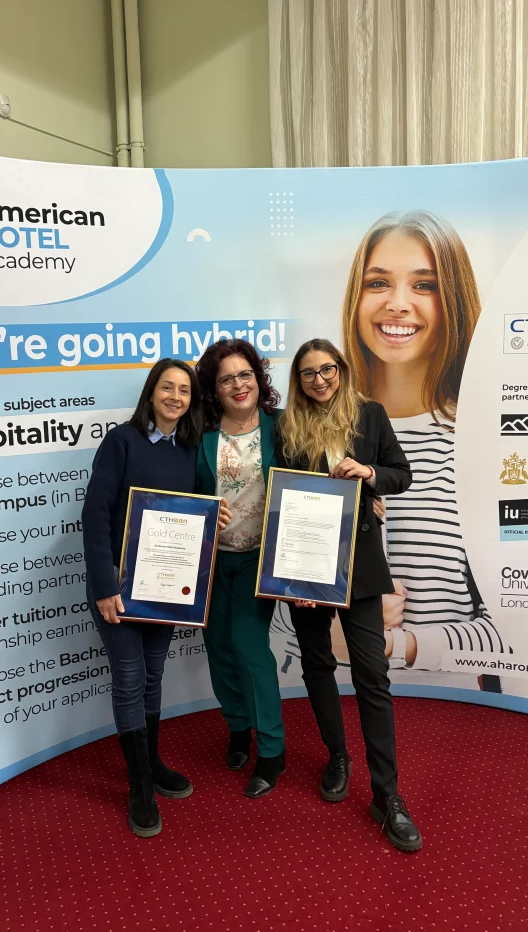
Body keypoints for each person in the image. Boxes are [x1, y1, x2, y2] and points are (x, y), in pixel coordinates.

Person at [342, 210, 505, 682]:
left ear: (452, 299)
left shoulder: (479, 442)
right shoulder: (322, 436)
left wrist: (393, 643)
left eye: (424, 285)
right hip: (332, 700)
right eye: (378, 283)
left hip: (447, 706)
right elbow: (278, 611)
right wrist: (332, 624)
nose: (397, 304)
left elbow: (513, 626)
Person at [277, 338, 422, 852]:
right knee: (317, 663)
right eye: (308, 373)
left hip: (360, 564)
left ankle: (388, 795)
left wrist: (370, 475)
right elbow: (279, 497)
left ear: (340, 369)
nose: (319, 380)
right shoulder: (286, 427)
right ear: (298, 380)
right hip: (305, 568)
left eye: (327, 369)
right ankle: (337, 755)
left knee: (372, 675)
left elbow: (402, 474)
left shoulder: (370, 415)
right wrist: (290, 576)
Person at [82, 359, 230, 838]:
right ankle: (140, 785)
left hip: (164, 590)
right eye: (167, 387)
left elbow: (191, 515)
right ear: (151, 393)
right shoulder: (121, 442)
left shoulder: (188, 449)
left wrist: (212, 517)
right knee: (129, 679)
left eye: (184, 390)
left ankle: (152, 761)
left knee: (151, 676)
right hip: (119, 589)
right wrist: (105, 586)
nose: (175, 397)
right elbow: (95, 515)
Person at [195, 339, 286, 799]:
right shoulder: (202, 434)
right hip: (211, 560)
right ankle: (237, 727)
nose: (238, 384)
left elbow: (318, 473)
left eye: (244, 374)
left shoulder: (282, 426)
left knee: (250, 648)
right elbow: (185, 493)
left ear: (258, 377)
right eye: (226, 378)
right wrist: (204, 513)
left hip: (259, 558)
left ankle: (272, 748)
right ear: (214, 389)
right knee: (218, 647)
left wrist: (368, 496)